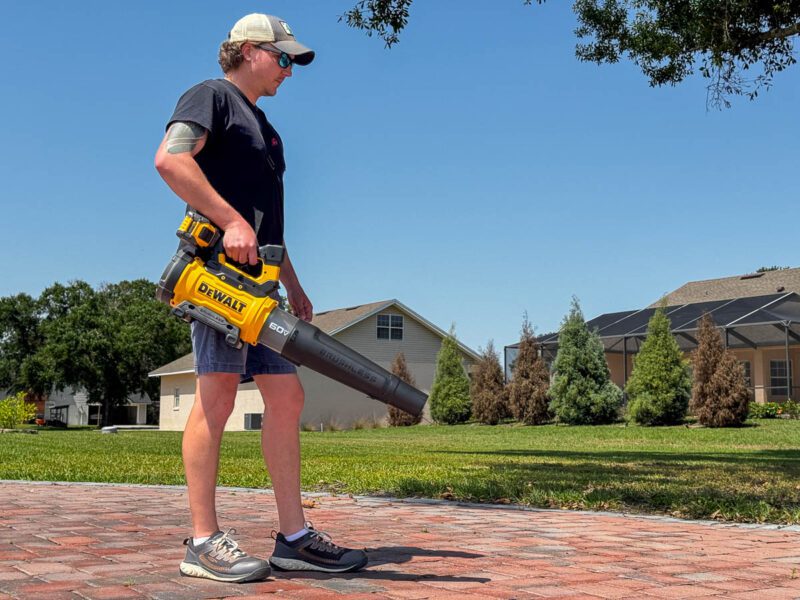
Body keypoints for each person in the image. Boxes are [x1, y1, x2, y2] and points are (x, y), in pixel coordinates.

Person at [154, 13, 368, 583]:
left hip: (263, 286)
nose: (289, 71)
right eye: (283, 58)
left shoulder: (266, 129)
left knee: (287, 395)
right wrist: (225, 220)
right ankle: (201, 540)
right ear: (249, 51)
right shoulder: (211, 98)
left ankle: (294, 538)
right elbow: (170, 160)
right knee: (217, 397)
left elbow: (264, 219)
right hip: (220, 280)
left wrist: (292, 282)